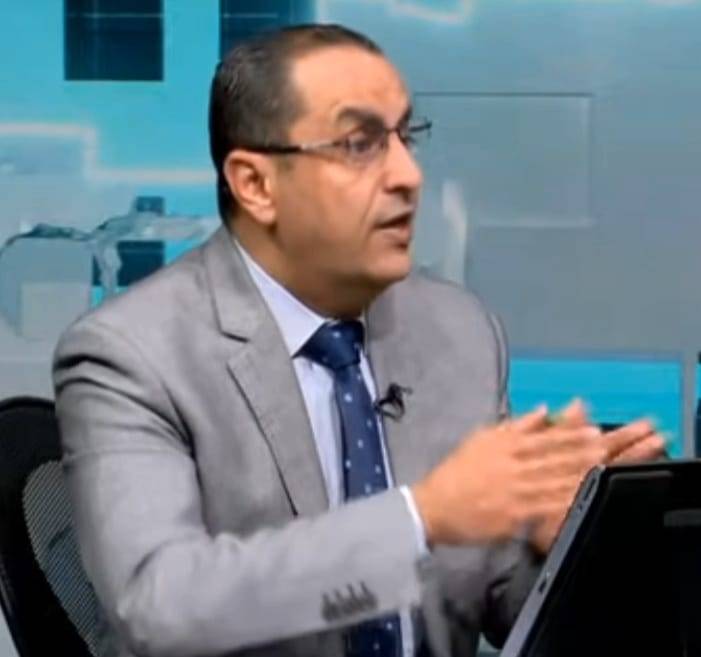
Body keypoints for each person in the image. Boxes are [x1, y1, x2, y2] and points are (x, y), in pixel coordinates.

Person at [52, 24, 665, 657]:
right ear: (256, 184)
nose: (408, 175)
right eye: (359, 145)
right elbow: (160, 609)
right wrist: (421, 518)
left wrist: (576, 537)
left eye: (406, 137)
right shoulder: (131, 353)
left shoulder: (458, 331)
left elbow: (505, 607)